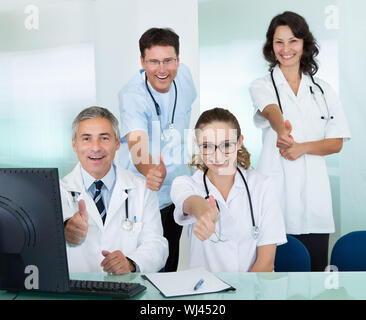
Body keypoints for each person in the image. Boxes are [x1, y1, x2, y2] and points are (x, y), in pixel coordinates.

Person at [249, 11, 351, 271]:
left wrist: (301, 148)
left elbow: (336, 142)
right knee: (275, 281)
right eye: (279, 42)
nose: (286, 49)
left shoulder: (323, 90)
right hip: (276, 201)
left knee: (315, 280)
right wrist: (281, 129)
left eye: (293, 41)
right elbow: (270, 109)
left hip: (315, 204)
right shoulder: (262, 84)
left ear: (304, 43)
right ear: (271, 46)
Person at [118, 28, 197, 272]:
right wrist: (151, 169)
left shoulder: (184, 77)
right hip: (145, 194)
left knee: (170, 265)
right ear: (142, 62)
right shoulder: (132, 95)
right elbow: (137, 143)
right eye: (153, 61)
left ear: (178, 60)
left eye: (168, 61)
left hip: (176, 191)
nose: (161, 69)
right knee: (146, 266)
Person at [170, 108, 287, 272]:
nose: (217, 156)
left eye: (226, 145)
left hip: (253, 292)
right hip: (205, 292)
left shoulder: (262, 186)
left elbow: (266, 263)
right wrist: (205, 213)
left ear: (239, 142)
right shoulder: (185, 184)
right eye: (207, 146)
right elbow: (190, 201)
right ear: (197, 145)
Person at [60, 106, 168, 273]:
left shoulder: (141, 189)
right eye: (86, 139)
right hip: (77, 293)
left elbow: (157, 244)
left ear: (117, 143)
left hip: (128, 290)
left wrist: (131, 263)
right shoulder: (58, 192)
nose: (95, 147)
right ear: (74, 144)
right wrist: (64, 232)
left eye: (104, 138)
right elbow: (42, 246)